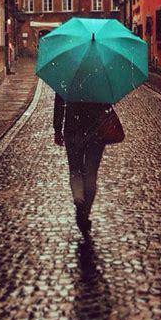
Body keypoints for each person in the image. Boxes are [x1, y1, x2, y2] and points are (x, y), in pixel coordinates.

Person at [53, 92, 121, 234]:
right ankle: (85, 212)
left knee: (75, 169)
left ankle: (79, 198)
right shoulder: (102, 76)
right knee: (91, 173)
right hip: (96, 130)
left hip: (73, 129)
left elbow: (59, 101)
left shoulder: (68, 74)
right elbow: (110, 101)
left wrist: (57, 129)